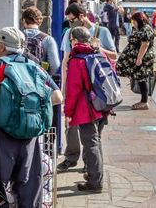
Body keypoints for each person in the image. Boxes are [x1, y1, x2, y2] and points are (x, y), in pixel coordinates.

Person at [0, 27, 63, 204]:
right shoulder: (34, 66)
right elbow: (58, 97)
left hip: (2, 134)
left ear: (2, 46)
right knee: (29, 185)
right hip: (30, 136)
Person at [58, 3, 117, 174]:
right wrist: (64, 87)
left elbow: (114, 56)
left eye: (73, 20)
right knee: (71, 125)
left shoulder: (102, 32)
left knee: (92, 132)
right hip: (76, 85)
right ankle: (71, 157)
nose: (71, 24)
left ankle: (90, 165)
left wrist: (98, 48)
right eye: (69, 21)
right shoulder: (70, 34)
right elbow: (65, 61)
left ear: (82, 16)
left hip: (97, 91)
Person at [64, 26, 105, 193]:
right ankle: (94, 176)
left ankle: (95, 182)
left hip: (85, 108)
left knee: (91, 144)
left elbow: (73, 91)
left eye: (71, 40)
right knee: (95, 141)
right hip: (101, 105)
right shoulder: (96, 54)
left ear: (74, 40)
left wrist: (68, 112)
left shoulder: (77, 60)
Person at [117, 12, 156, 110]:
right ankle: (143, 101)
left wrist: (139, 58)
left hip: (143, 58)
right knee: (140, 78)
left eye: (134, 21)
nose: (133, 23)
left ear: (139, 20)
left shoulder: (146, 29)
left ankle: (144, 102)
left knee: (142, 79)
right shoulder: (141, 29)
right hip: (138, 58)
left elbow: (145, 44)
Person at [21, 6, 60, 79]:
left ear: (23, 20)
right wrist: (45, 76)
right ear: (39, 22)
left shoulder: (16, 37)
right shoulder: (48, 39)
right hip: (39, 80)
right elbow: (55, 64)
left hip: (19, 79)